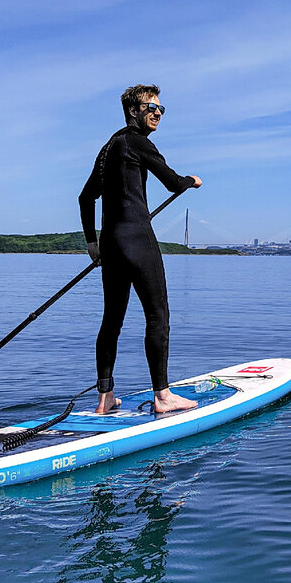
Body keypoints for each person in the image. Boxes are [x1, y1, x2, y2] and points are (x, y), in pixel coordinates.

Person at [79, 85, 202, 414]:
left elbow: (85, 197)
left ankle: (105, 397)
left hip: (111, 245)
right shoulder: (137, 142)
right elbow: (173, 182)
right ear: (134, 110)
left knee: (111, 322)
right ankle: (163, 397)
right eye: (152, 107)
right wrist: (192, 180)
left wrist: (93, 244)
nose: (158, 113)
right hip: (137, 240)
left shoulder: (108, 149)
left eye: (162, 109)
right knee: (158, 317)